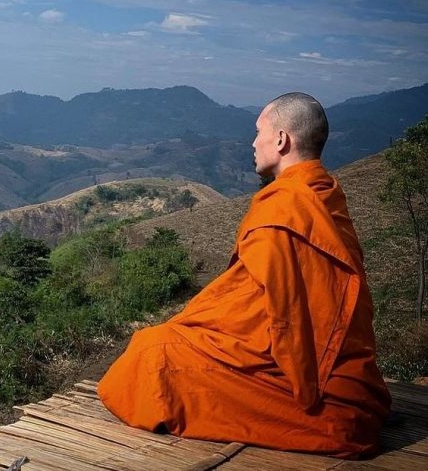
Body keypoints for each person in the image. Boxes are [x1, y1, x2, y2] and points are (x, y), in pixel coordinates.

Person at [97, 92, 391, 458]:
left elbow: (276, 320)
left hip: (312, 384)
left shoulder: (286, 206)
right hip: (352, 380)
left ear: (282, 140)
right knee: (165, 341)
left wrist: (198, 324)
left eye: (259, 132)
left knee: (151, 354)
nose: (253, 143)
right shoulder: (326, 195)